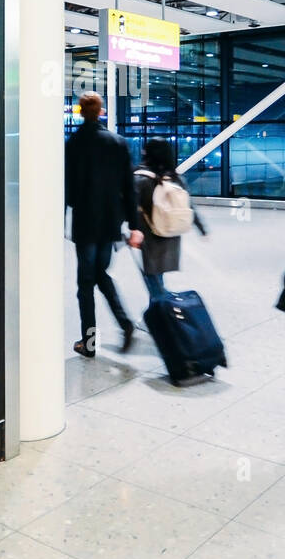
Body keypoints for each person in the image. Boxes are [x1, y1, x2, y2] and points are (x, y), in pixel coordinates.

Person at [65, 91, 143, 358]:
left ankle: (89, 342)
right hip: (110, 223)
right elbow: (129, 188)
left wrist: (58, 220)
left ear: (80, 111)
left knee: (86, 284)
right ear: (101, 112)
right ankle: (124, 323)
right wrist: (135, 225)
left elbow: (66, 186)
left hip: (85, 223)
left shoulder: (73, 143)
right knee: (99, 274)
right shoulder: (117, 142)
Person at [134, 138, 207, 307]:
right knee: (157, 276)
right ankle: (160, 311)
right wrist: (202, 228)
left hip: (151, 233)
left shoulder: (142, 178)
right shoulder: (176, 178)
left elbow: (129, 204)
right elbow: (189, 205)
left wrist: (130, 229)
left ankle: (164, 316)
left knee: (153, 277)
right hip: (172, 231)